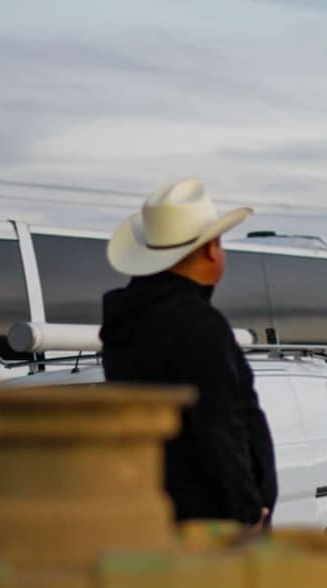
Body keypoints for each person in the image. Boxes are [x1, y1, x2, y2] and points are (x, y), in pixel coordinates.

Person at [100, 177, 277, 531]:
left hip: (154, 514)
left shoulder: (126, 324)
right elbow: (218, 426)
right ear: (212, 249)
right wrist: (246, 511)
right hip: (211, 529)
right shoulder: (198, 325)